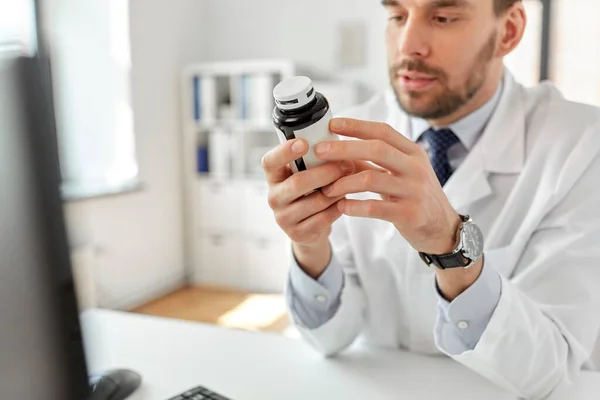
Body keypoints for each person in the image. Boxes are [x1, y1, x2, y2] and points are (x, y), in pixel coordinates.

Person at [261, 0, 600, 398]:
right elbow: (329, 341)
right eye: (397, 16)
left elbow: (550, 371)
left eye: (443, 17)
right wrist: (310, 245)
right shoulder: (345, 138)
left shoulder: (581, 145)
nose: (408, 45)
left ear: (507, 31)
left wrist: (451, 247)